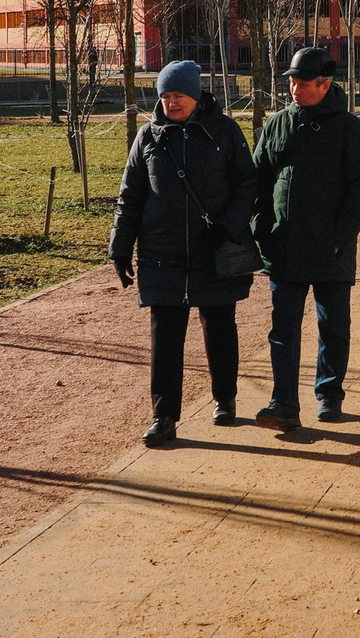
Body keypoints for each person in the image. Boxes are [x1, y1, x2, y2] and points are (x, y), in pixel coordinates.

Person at [110, 60, 258, 448]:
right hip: (163, 252)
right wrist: (120, 247)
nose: (171, 103)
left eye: (178, 95)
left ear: (195, 96)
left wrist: (227, 227)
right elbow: (130, 196)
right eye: (165, 96)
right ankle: (163, 417)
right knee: (165, 336)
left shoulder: (224, 131)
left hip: (215, 251)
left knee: (220, 325)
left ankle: (225, 397)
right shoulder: (147, 137)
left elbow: (248, 186)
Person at [251, 46, 360, 426]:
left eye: (303, 83)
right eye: (291, 82)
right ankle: (283, 404)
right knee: (283, 330)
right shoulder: (277, 124)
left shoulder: (350, 129)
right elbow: (257, 180)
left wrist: (341, 236)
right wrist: (261, 228)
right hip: (284, 246)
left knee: (333, 327)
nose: (294, 89)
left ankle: (329, 395)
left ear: (325, 85)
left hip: (331, 249)